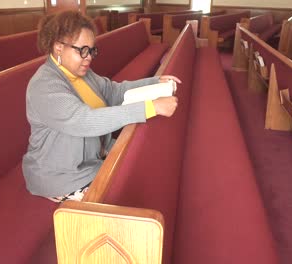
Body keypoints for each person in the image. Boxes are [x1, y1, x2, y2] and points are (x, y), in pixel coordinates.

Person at [22, 10, 180, 203]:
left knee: (145, 164)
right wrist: (150, 107)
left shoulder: (81, 73)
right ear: (58, 47)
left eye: (91, 50)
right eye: (82, 50)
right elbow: (83, 120)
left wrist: (154, 83)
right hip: (61, 173)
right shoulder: (45, 85)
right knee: (127, 196)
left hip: (93, 155)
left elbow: (113, 91)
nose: (89, 57)